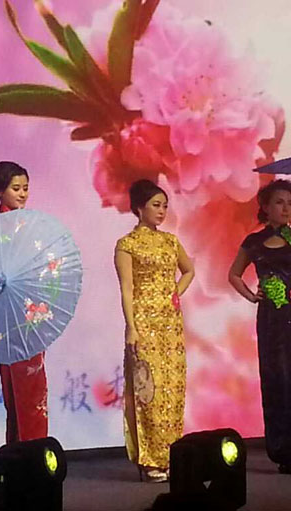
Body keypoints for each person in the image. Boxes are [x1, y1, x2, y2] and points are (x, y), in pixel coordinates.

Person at [227, 179, 291, 474]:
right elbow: (234, 274)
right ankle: (279, 450)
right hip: (270, 316)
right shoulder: (253, 242)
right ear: (265, 206)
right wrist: (252, 296)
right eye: (279, 202)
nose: (286, 208)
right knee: (275, 378)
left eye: (290, 203)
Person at [114, 179, 195, 482]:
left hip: (170, 325)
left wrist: (175, 293)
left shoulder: (170, 241)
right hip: (143, 324)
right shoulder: (127, 245)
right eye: (155, 205)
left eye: (164, 206)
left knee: (173, 388)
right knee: (148, 390)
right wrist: (131, 327)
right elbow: (126, 289)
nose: (162, 211)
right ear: (139, 208)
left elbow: (189, 270)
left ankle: (172, 455)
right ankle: (150, 460)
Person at [0, 161, 49, 443]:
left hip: (23, 310)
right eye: (16, 188)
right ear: (0, 191)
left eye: (25, 188)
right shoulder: (4, 227)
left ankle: (19, 450)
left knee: (20, 387)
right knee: (29, 387)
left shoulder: (19, 224)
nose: (22, 194)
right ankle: (33, 450)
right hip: (19, 311)